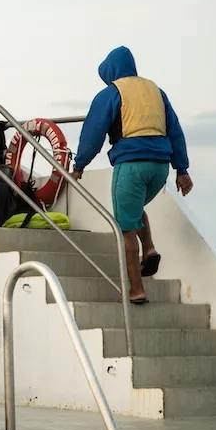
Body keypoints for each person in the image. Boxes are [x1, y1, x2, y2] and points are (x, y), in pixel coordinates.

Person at [71, 46, 193, 304]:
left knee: (125, 228)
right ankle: (149, 248)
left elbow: (93, 133)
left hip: (131, 165)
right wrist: (181, 170)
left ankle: (137, 290)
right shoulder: (156, 91)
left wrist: (79, 165)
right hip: (159, 168)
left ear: (110, 72)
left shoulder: (112, 93)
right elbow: (175, 130)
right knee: (134, 209)